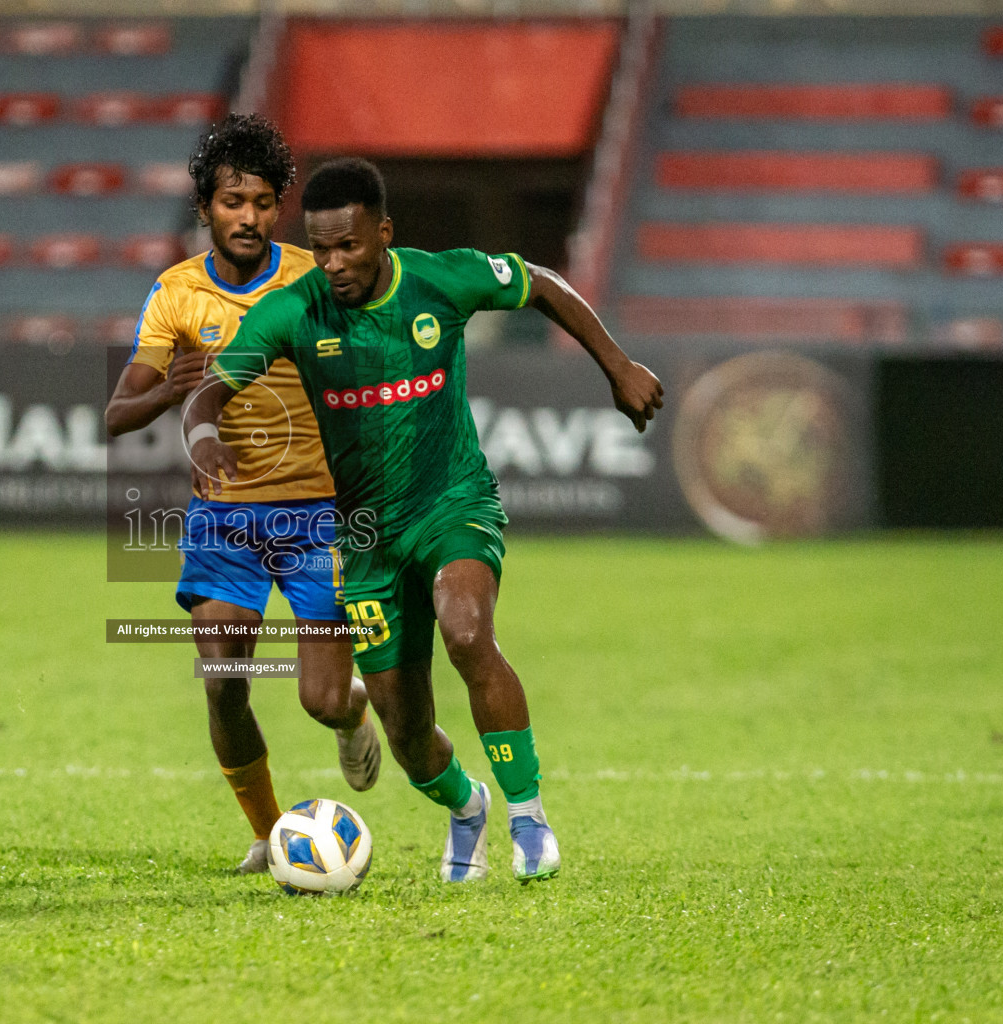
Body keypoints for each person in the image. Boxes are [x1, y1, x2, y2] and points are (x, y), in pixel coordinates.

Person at [183, 158, 663, 883]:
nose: (335, 264)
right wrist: (205, 436)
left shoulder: (443, 279)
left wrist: (618, 365)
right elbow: (205, 394)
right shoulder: (294, 313)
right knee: (406, 735)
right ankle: (466, 805)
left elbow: (542, 283)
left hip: (452, 503)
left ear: (384, 233)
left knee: (467, 628)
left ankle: (528, 816)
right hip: (368, 541)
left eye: (350, 246)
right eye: (321, 249)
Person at [105, 117, 381, 875]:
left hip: (320, 513)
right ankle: (268, 834)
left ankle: (351, 709)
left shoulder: (311, 281)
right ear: (206, 208)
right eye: (233, 201)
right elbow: (115, 414)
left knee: (319, 699)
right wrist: (170, 390)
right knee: (223, 680)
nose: (249, 217)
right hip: (225, 519)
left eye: (263, 201)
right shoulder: (175, 296)